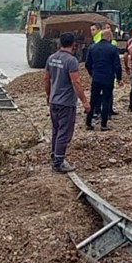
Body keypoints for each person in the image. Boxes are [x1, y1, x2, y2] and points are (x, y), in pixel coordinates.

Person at [45, 33, 90, 173]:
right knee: (64, 132)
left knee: (56, 130)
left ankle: (55, 155)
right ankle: (58, 163)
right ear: (74, 44)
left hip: (54, 100)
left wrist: (48, 95)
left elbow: (46, 79)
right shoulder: (71, 61)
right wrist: (84, 101)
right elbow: (75, 82)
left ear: (60, 43)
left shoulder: (51, 58)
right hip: (66, 103)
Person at [85, 27, 122, 131]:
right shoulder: (112, 48)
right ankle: (103, 124)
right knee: (106, 100)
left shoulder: (92, 47)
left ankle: (88, 122)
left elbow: (87, 64)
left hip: (96, 77)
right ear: (109, 37)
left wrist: (92, 73)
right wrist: (119, 78)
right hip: (108, 78)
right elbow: (117, 66)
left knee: (93, 100)